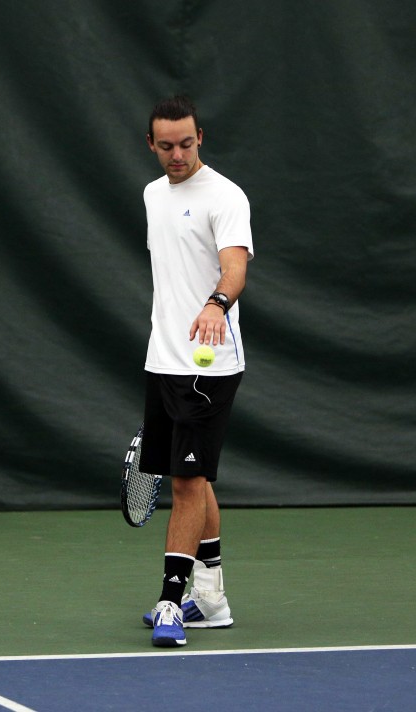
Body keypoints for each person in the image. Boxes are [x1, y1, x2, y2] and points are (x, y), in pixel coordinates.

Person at [138, 95, 254, 647]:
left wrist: (216, 304)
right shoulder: (152, 195)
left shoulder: (226, 196)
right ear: (152, 145)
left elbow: (235, 266)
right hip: (163, 360)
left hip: (210, 367)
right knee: (195, 477)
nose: (177, 154)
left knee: (186, 482)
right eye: (167, 146)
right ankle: (210, 599)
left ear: (200, 137)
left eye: (186, 143)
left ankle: (170, 600)